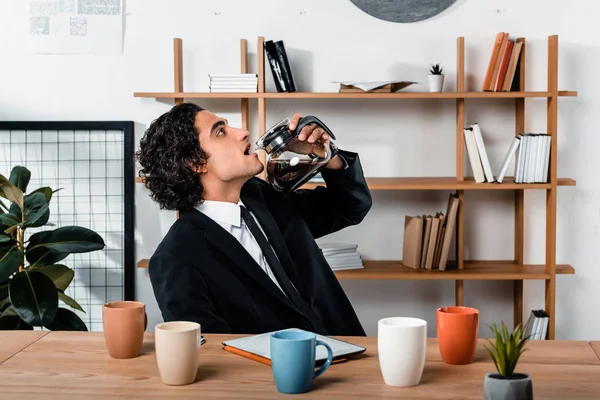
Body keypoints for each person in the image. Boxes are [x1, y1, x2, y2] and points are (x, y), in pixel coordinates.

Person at [136, 102, 372, 336]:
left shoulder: (263, 197)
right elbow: (209, 355)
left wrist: (325, 154)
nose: (243, 132)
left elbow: (350, 207)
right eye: (220, 132)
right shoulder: (175, 258)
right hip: (274, 372)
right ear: (196, 163)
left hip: (349, 356)